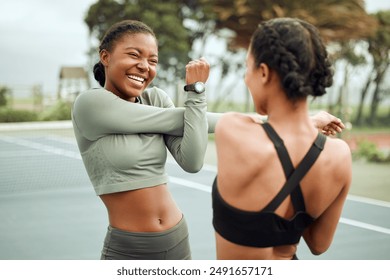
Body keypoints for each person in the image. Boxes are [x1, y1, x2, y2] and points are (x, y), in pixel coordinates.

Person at [72, 19, 218, 260]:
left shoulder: (156, 98)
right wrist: (196, 91)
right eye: (134, 55)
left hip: (178, 238)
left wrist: (196, 102)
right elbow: (183, 119)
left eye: (152, 61)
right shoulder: (90, 104)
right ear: (105, 57)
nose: (144, 66)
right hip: (130, 249)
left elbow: (192, 162)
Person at [212, 18, 352, 260]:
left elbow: (265, 128)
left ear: (264, 72)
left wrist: (310, 121)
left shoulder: (232, 129)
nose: (246, 78)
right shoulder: (339, 155)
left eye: (248, 67)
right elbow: (319, 244)